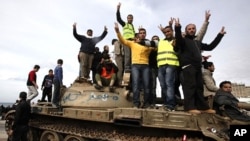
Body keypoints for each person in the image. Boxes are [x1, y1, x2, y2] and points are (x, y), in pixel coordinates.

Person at [174, 18, 226, 114]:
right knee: (190, 87)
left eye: (193, 28)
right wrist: (177, 28)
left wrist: (220, 35)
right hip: (188, 67)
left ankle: (202, 107)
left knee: (199, 87)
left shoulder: (197, 42)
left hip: (198, 67)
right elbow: (178, 39)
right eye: (189, 29)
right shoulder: (183, 41)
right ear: (186, 31)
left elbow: (210, 47)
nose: (191, 30)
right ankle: (189, 107)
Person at [115, 23, 155, 108]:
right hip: (135, 66)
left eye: (144, 33)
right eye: (141, 33)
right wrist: (118, 32)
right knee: (136, 85)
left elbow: (157, 45)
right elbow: (123, 41)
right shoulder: (133, 43)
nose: (142, 34)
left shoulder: (148, 44)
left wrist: (144, 42)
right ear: (138, 34)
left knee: (146, 85)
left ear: (146, 34)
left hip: (145, 66)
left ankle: (146, 104)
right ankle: (136, 104)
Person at [116, 2, 135, 83]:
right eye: (129, 18)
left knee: (132, 57)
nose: (130, 19)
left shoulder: (133, 27)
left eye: (131, 18)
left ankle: (132, 72)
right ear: (127, 19)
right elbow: (118, 19)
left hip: (133, 42)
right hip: (127, 42)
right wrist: (118, 9)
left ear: (132, 19)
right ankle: (126, 74)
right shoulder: (125, 24)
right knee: (127, 57)